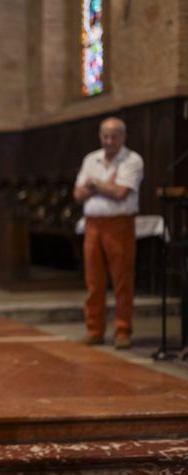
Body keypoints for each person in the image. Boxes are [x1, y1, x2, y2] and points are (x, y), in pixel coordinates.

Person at [74, 116, 144, 349]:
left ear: (123, 137)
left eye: (114, 136)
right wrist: (106, 185)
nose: (109, 140)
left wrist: (94, 185)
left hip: (119, 224)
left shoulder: (132, 160)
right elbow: (77, 195)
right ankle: (94, 329)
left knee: (122, 280)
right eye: (105, 136)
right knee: (94, 281)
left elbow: (121, 193)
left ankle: (123, 331)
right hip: (93, 224)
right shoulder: (90, 159)